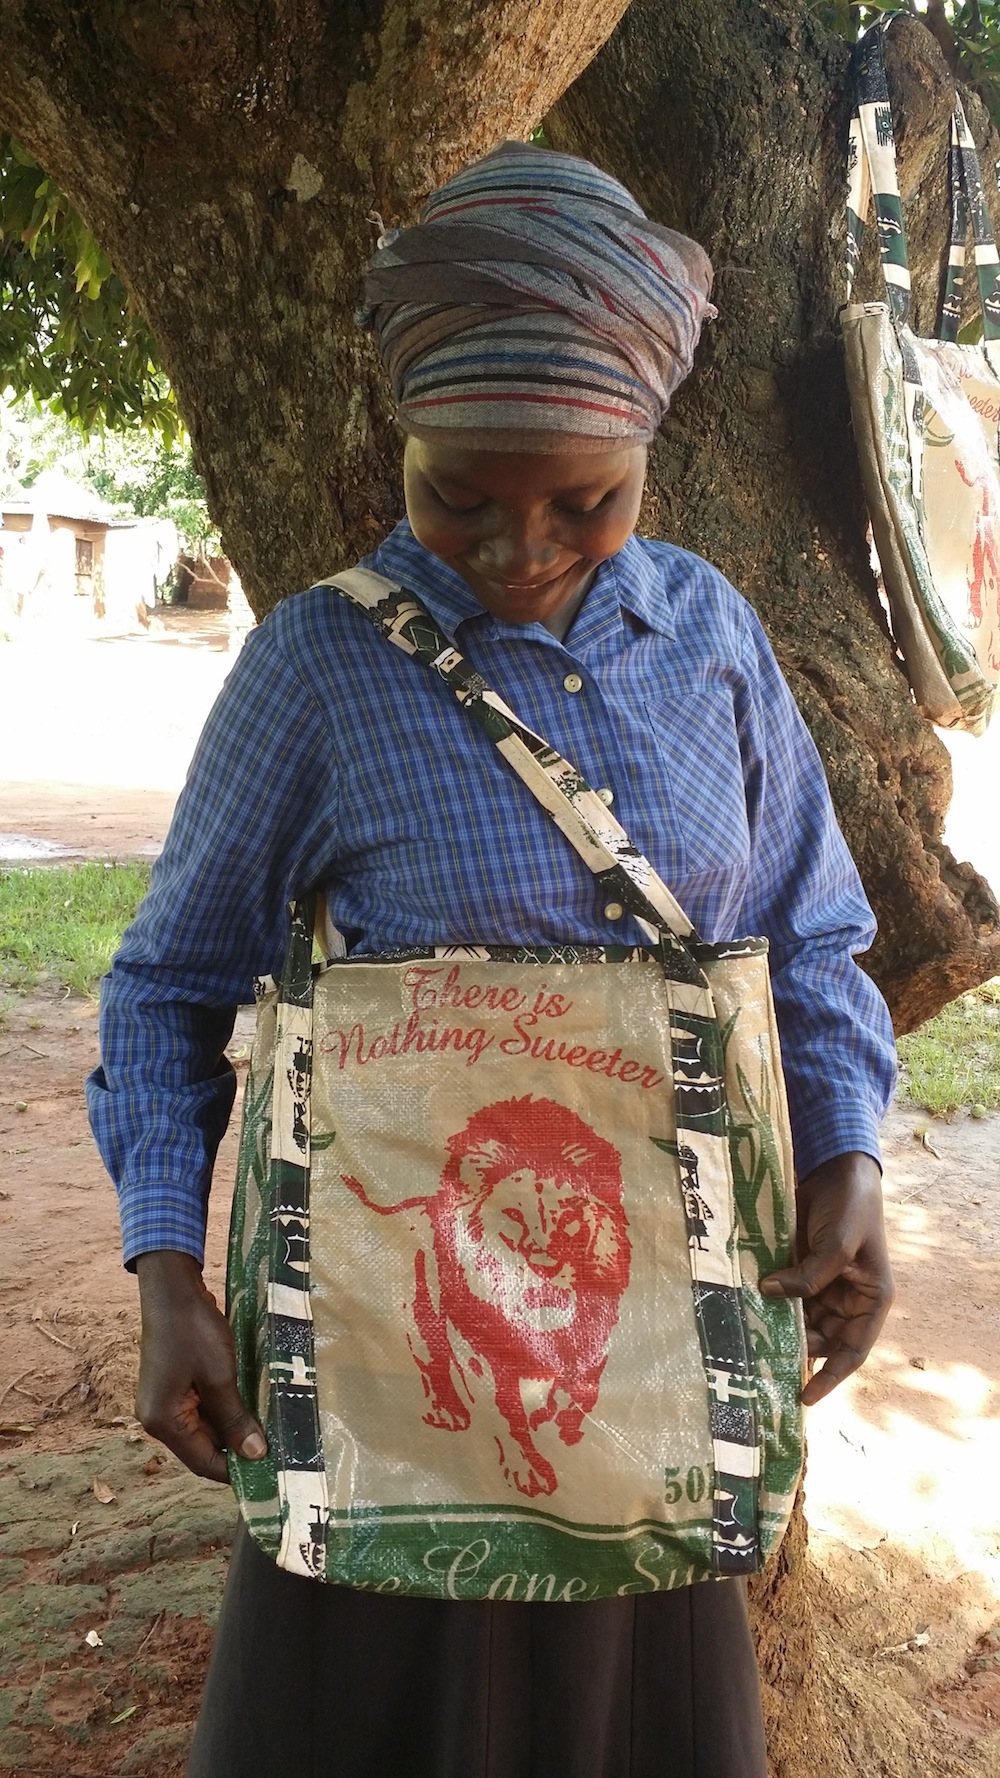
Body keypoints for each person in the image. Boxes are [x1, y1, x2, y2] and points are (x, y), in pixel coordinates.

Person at [87, 143, 896, 1778]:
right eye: (461, 492)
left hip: (651, 1358)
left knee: (628, 1719)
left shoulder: (715, 644)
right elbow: (169, 983)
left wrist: (854, 1153)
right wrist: (170, 1271)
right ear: (402, 442)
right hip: (397, 1372)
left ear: (650, 454)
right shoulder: (319, 670)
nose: (520, 545)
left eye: (584, 501)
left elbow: (812, 933)